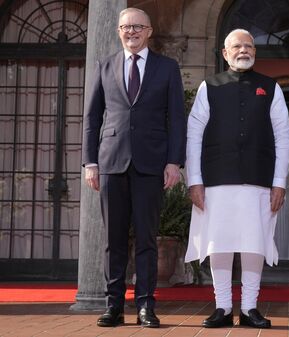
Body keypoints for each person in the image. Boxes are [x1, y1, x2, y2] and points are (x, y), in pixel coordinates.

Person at [82, 8, 186, 328]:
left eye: (138, 27)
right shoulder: (105, 66)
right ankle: (113, 305)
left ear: (149, 31)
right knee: (113, 240)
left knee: (146, 239)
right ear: (117, 31)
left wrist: (173, 162)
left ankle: (145, 306)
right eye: (126, 27)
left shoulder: (167, 68)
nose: (131, 32)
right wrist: (90, 162)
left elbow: (176, 119)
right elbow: (91, 119)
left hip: (151, 164)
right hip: (111, 162)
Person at [184, 29, 289, 329]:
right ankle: (221, 306)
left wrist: (279, 182)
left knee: (253, 243)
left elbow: (284, 136)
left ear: (254, 51)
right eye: (237, 46)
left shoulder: (270, 87)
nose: (243, 50)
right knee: (220, 243)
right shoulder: (210, 86)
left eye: (249, 46)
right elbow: (194, 134)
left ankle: (249, 308)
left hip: (258, 180)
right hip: (216, 179)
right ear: (225, 53)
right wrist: (194, 180)